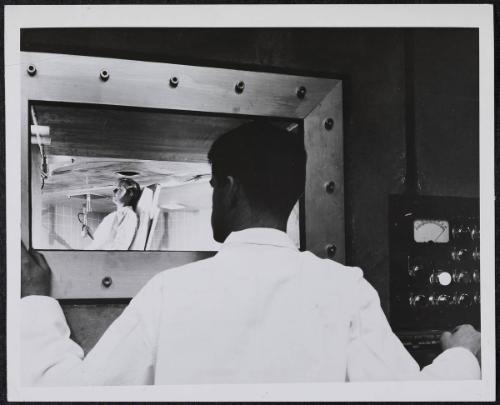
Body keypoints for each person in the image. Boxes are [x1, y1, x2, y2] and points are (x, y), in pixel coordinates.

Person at [21, 121, 481, 386]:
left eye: (213, 183)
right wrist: (462, 354)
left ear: (229, 189)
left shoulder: (168, 294)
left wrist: (37, 303)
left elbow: (64, 393)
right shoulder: (346, 291)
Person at [85, 178, 141, 250]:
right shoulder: (114, 215)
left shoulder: (129, 215)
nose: (114, 191)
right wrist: (92, 234)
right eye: (116, 188)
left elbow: (120, 246)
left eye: (120, 188)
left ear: (131, 193)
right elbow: (102, 241)